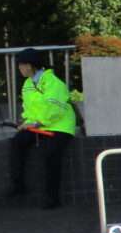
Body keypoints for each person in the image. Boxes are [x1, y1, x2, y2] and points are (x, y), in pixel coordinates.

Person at [8, 48, 75, 210]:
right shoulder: (27, 84)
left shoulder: (53, 82)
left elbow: (54, 108)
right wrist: (27, 123)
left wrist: (36, 123)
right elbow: (29, 109)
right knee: (17, 142)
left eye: (22, 65)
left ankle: (53, 198)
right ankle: (19, 187)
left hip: (60, 126)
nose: (19, 68)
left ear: (31, 65)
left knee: (51, 154)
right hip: (39, 125)